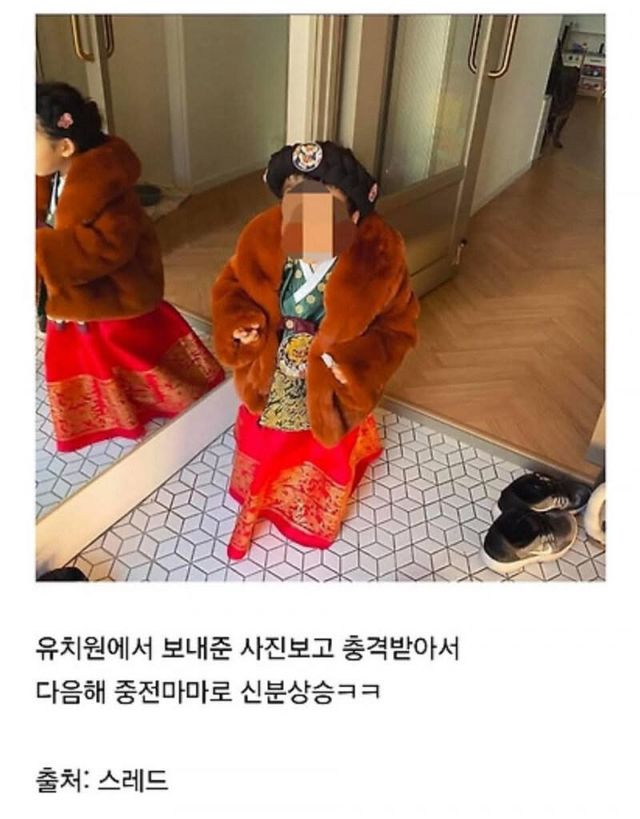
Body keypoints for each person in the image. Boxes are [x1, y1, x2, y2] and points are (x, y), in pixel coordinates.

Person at [212, 141, 419, 560]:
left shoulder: (379, 263)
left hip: (329, 376)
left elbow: (397, 327)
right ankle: (262, 497)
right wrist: (241, 323)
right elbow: (233, 286)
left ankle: (310, 509)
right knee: (266, 442)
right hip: (273, 371)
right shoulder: (262, 241)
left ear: (354, 217)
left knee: (323, 447)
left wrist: (358, 367)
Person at [36, 82, 224, 452]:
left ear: (65, 147)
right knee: (85, 361)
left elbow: (109, 247)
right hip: (74, 294)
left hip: (113, 291)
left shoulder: (107, 187)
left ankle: (177, 404)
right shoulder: (49, 178)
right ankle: (111, 414)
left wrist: (42, 247)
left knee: (132, 353)